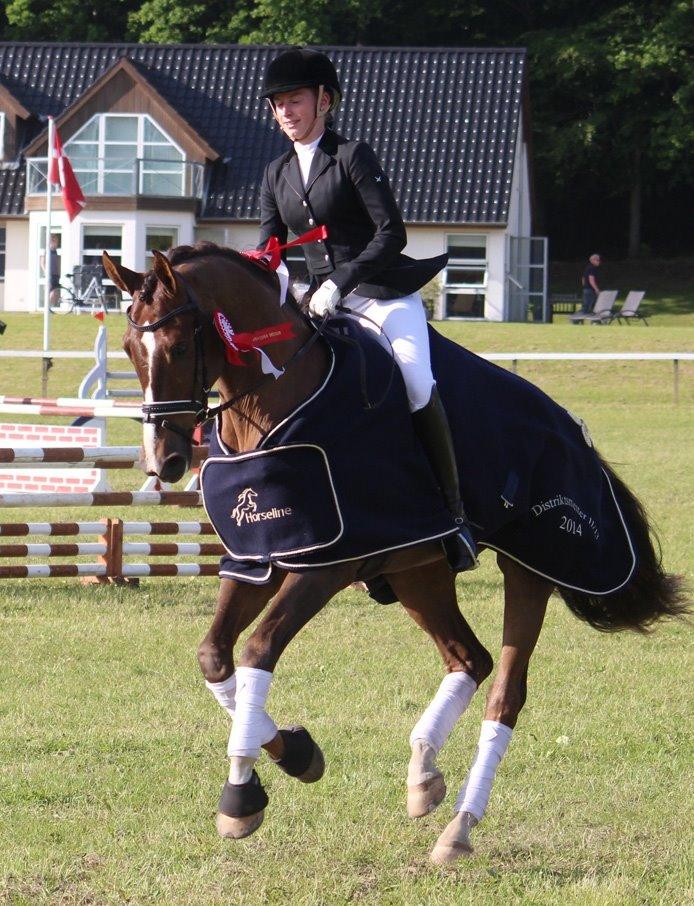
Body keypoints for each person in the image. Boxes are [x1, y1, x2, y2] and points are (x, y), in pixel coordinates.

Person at [258, 47, 476, 570]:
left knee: (417, 381)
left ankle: (454, 518)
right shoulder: (275, 172)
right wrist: (277, 281)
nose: (286, 111)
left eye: (296, 100)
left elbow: (391, 233)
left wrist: (340, 280)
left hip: (380, 295)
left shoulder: (352, 155)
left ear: (323, 100)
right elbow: (269, 246)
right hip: (316, 305)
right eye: (278, 104)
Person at [40, 233, 61, 309]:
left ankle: (52, 307)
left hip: (55, 274)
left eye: (54, 239)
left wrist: (59, 273)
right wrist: (46, 272)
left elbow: (57, 263)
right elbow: (42, 263)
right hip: (49, 274)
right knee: (50, 291)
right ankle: (48, 307)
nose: (54, 241)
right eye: (52, 239)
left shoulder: (55, 251)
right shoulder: (46, 251)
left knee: (54, 291)